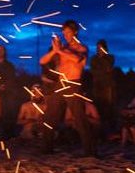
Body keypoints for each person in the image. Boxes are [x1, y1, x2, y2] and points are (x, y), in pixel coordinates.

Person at [39, 20, 96, 156]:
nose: (65, 35)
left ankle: (90, 152)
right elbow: (42, 61)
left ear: (75, 32)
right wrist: (54, 51)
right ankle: (47, 149)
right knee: (49, 117)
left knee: (80, 119)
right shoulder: (62, 49)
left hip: (73, 84)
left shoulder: (82, 48)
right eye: (64, 32)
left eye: (68, 32)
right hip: (60, 84)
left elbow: (76, 59)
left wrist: (59, 51)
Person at [90, 40, 116, 135]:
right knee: (98, 108)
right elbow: (93, 71)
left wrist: (103, 60)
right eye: (97, 48)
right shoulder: (93, 59)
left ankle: (109, 132)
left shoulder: (110, 57)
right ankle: (99, 132)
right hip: (97, 86)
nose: (99, 50)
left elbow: (109, 68)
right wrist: (103, 71)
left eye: (101, 47)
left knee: (108, 108)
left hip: (108, 86)